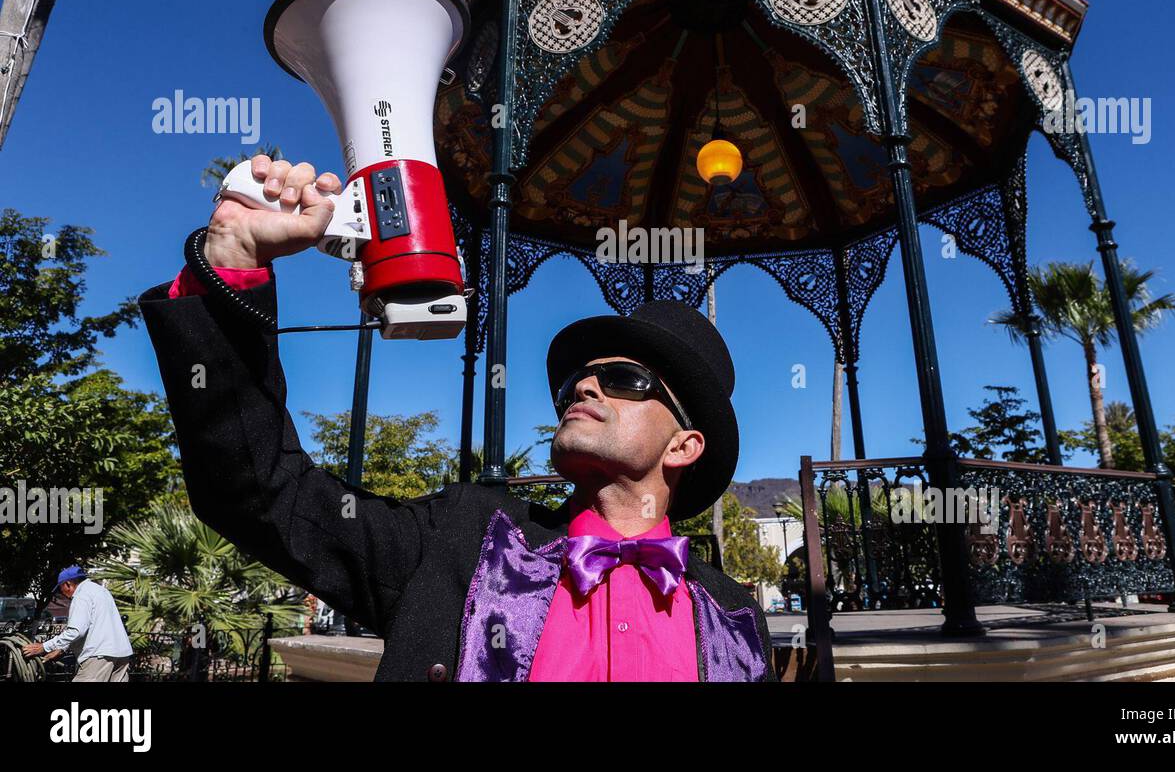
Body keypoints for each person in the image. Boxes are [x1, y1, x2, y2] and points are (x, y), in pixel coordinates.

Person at [137, 155, 772, 682]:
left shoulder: (736, 616)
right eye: (578, 378)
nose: (583, 384)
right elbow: (261, 492)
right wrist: (234, 255)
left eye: (623, 379)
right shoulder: (462, 541)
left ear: (685, 446)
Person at [22, 566, 132, 681]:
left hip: (99, 655)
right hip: (121, 653)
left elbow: (76, 631)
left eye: (61, 588)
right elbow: (92, 626)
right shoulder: (101, 591)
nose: (63, 593)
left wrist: (44, 647)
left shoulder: (81, 595)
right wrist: (62, 649)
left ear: (68, 584)